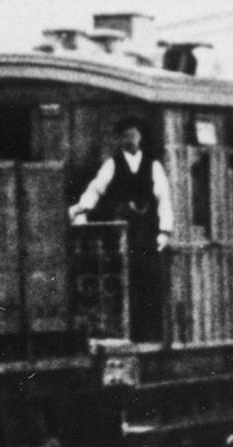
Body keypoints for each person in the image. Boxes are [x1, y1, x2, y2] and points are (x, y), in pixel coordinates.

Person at [69, 117, 173, 341]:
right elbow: (96, 189)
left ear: (140, 137)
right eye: (126, 135)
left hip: (146, 234)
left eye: (133, 134)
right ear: (120, 139)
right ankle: (126, 334)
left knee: (148, 283)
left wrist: (165, 230)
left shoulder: (153, 166)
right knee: (123, 283)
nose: (130, 139)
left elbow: (163, 198)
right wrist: (80, 209)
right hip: (121, 236)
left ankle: (149, 335)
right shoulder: (112, 164)